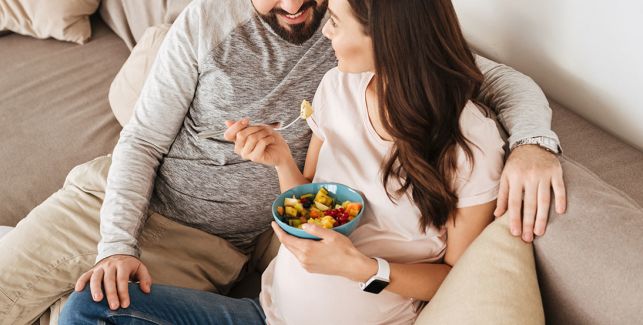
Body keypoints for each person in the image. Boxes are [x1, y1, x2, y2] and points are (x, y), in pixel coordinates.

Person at [0, 0, 563, 323]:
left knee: (82, 310)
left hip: (219, 252)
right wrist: (117, 243)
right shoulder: (216, 26)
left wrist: (536, 142)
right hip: (118, 202)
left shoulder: (354, 42)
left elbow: (480, 75)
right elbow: (142, 139)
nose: (299, 8)